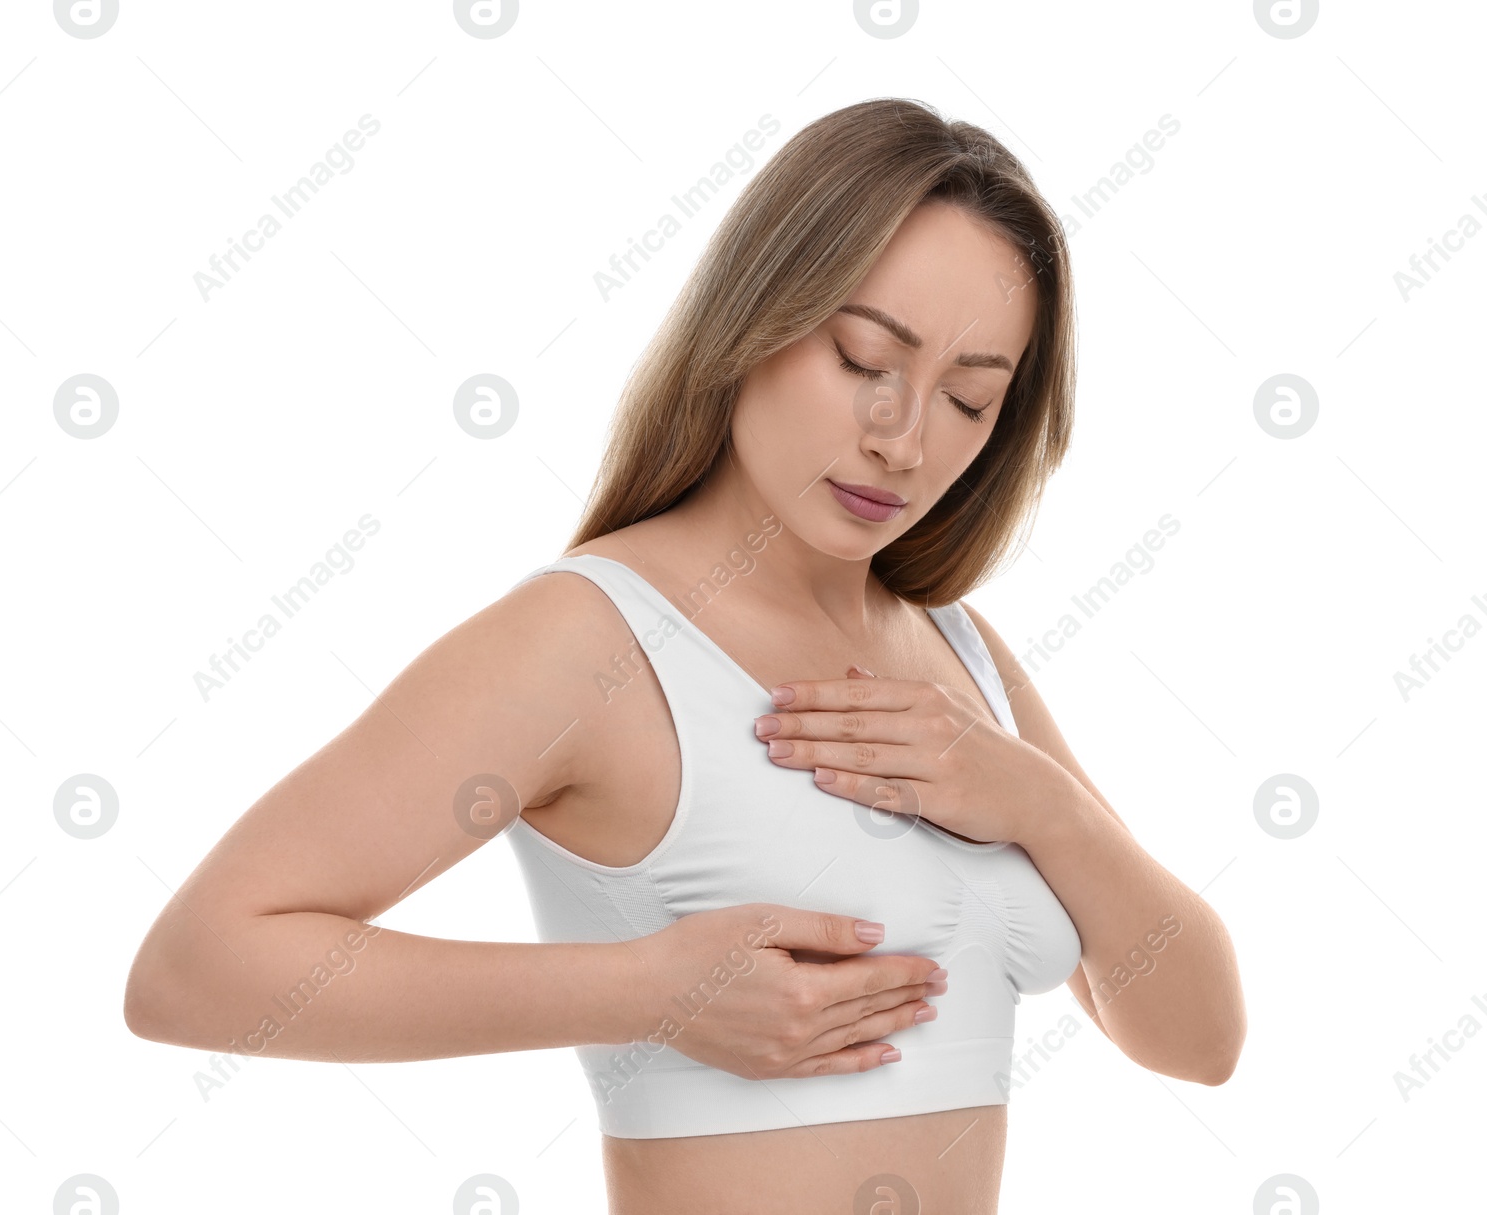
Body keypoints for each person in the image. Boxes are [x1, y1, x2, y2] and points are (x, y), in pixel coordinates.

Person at [124, 97, 1245, 1214]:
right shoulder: (587, 643)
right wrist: (646, 991)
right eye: (864, 357)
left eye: (967, 398)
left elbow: (1199, 1041)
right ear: (757, 315)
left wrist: (1045, 807)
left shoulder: (957, 653)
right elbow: (198, 970)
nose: (902, 440)